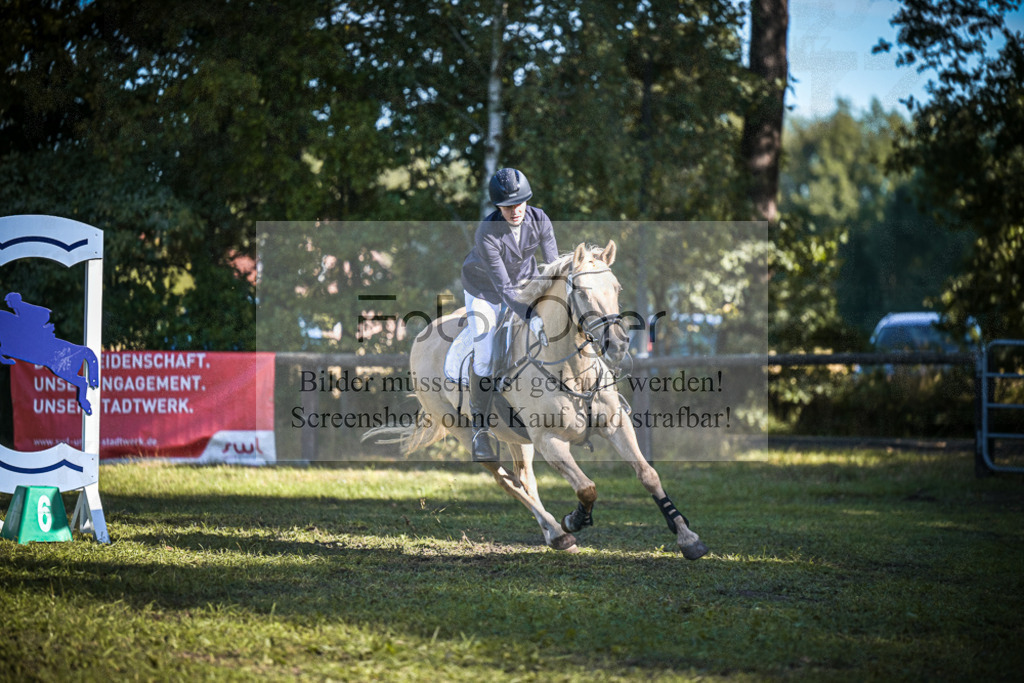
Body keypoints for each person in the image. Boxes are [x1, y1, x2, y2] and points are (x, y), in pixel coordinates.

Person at [461, 168, 558, 461]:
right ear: (497, 207)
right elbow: (503, 289)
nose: (515, 211)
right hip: (485, 292)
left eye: (520, 204)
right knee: (486, 354)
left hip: (526, 283)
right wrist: (532, 317)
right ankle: (479, 430)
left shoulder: (539, 219)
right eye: (507, 206)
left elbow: (553, 265)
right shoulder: (486, 233)